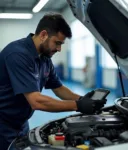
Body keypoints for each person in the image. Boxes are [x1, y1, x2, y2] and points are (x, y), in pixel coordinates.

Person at [0, 12, 106, 150]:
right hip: (3, 124)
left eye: (61, 44)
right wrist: (77, 105)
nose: (59, 49)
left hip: (21, 122)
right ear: (43, 35)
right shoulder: (17, 54)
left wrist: (84, 99)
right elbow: (36, 101)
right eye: (57, 43)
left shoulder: (45, 59)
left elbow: (59, 89)